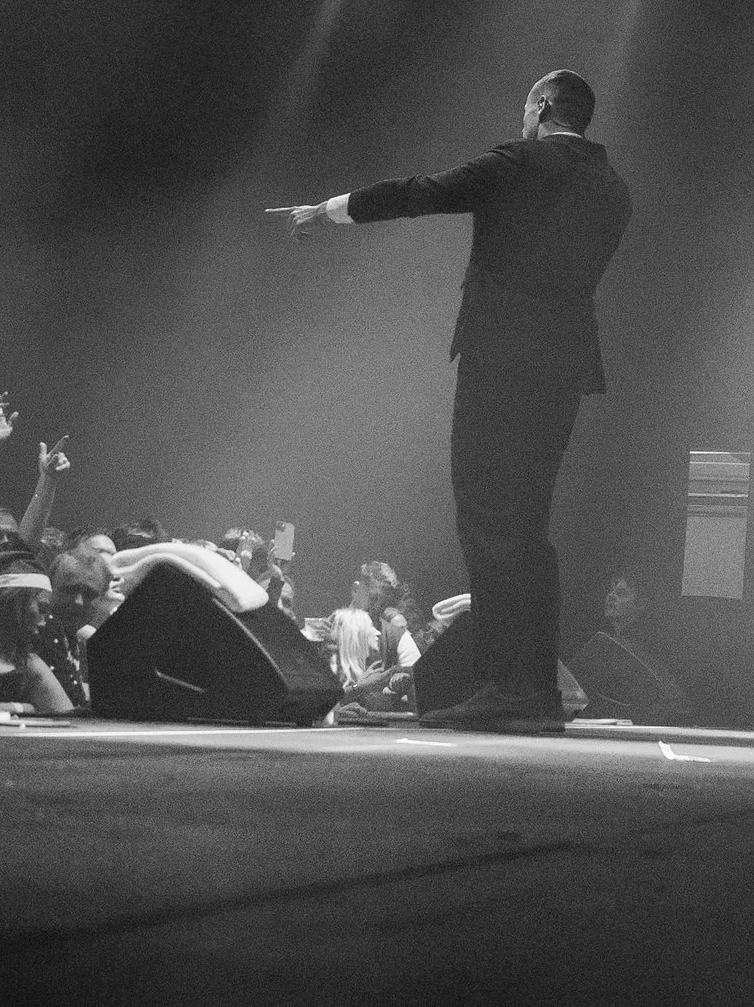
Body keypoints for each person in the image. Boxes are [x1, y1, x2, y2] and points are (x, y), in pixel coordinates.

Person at [271, 68, 634, 733]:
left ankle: (505, 686)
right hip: (564, 368)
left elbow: (421, 192)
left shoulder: (519, 162)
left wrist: (328, 210)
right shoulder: (613, 188)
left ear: (542, 107)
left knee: (488, 517)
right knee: (529, 527)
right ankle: (535, 689)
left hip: (501, 357)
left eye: (525, 107)